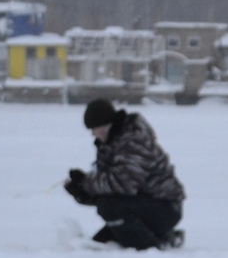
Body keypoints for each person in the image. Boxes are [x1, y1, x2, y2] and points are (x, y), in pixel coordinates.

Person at [64, 99, 186, 249]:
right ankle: (164, 237)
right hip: (143, 203)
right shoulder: (110, 144)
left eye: (94, 128)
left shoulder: (133, 141)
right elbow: (111, 190)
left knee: (109, 208)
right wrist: (82, 192)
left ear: (106, 126)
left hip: (165, 206)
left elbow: (123, 184)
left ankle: (155, 248)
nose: (92, 134)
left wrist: (86, 183)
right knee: (99, 244)